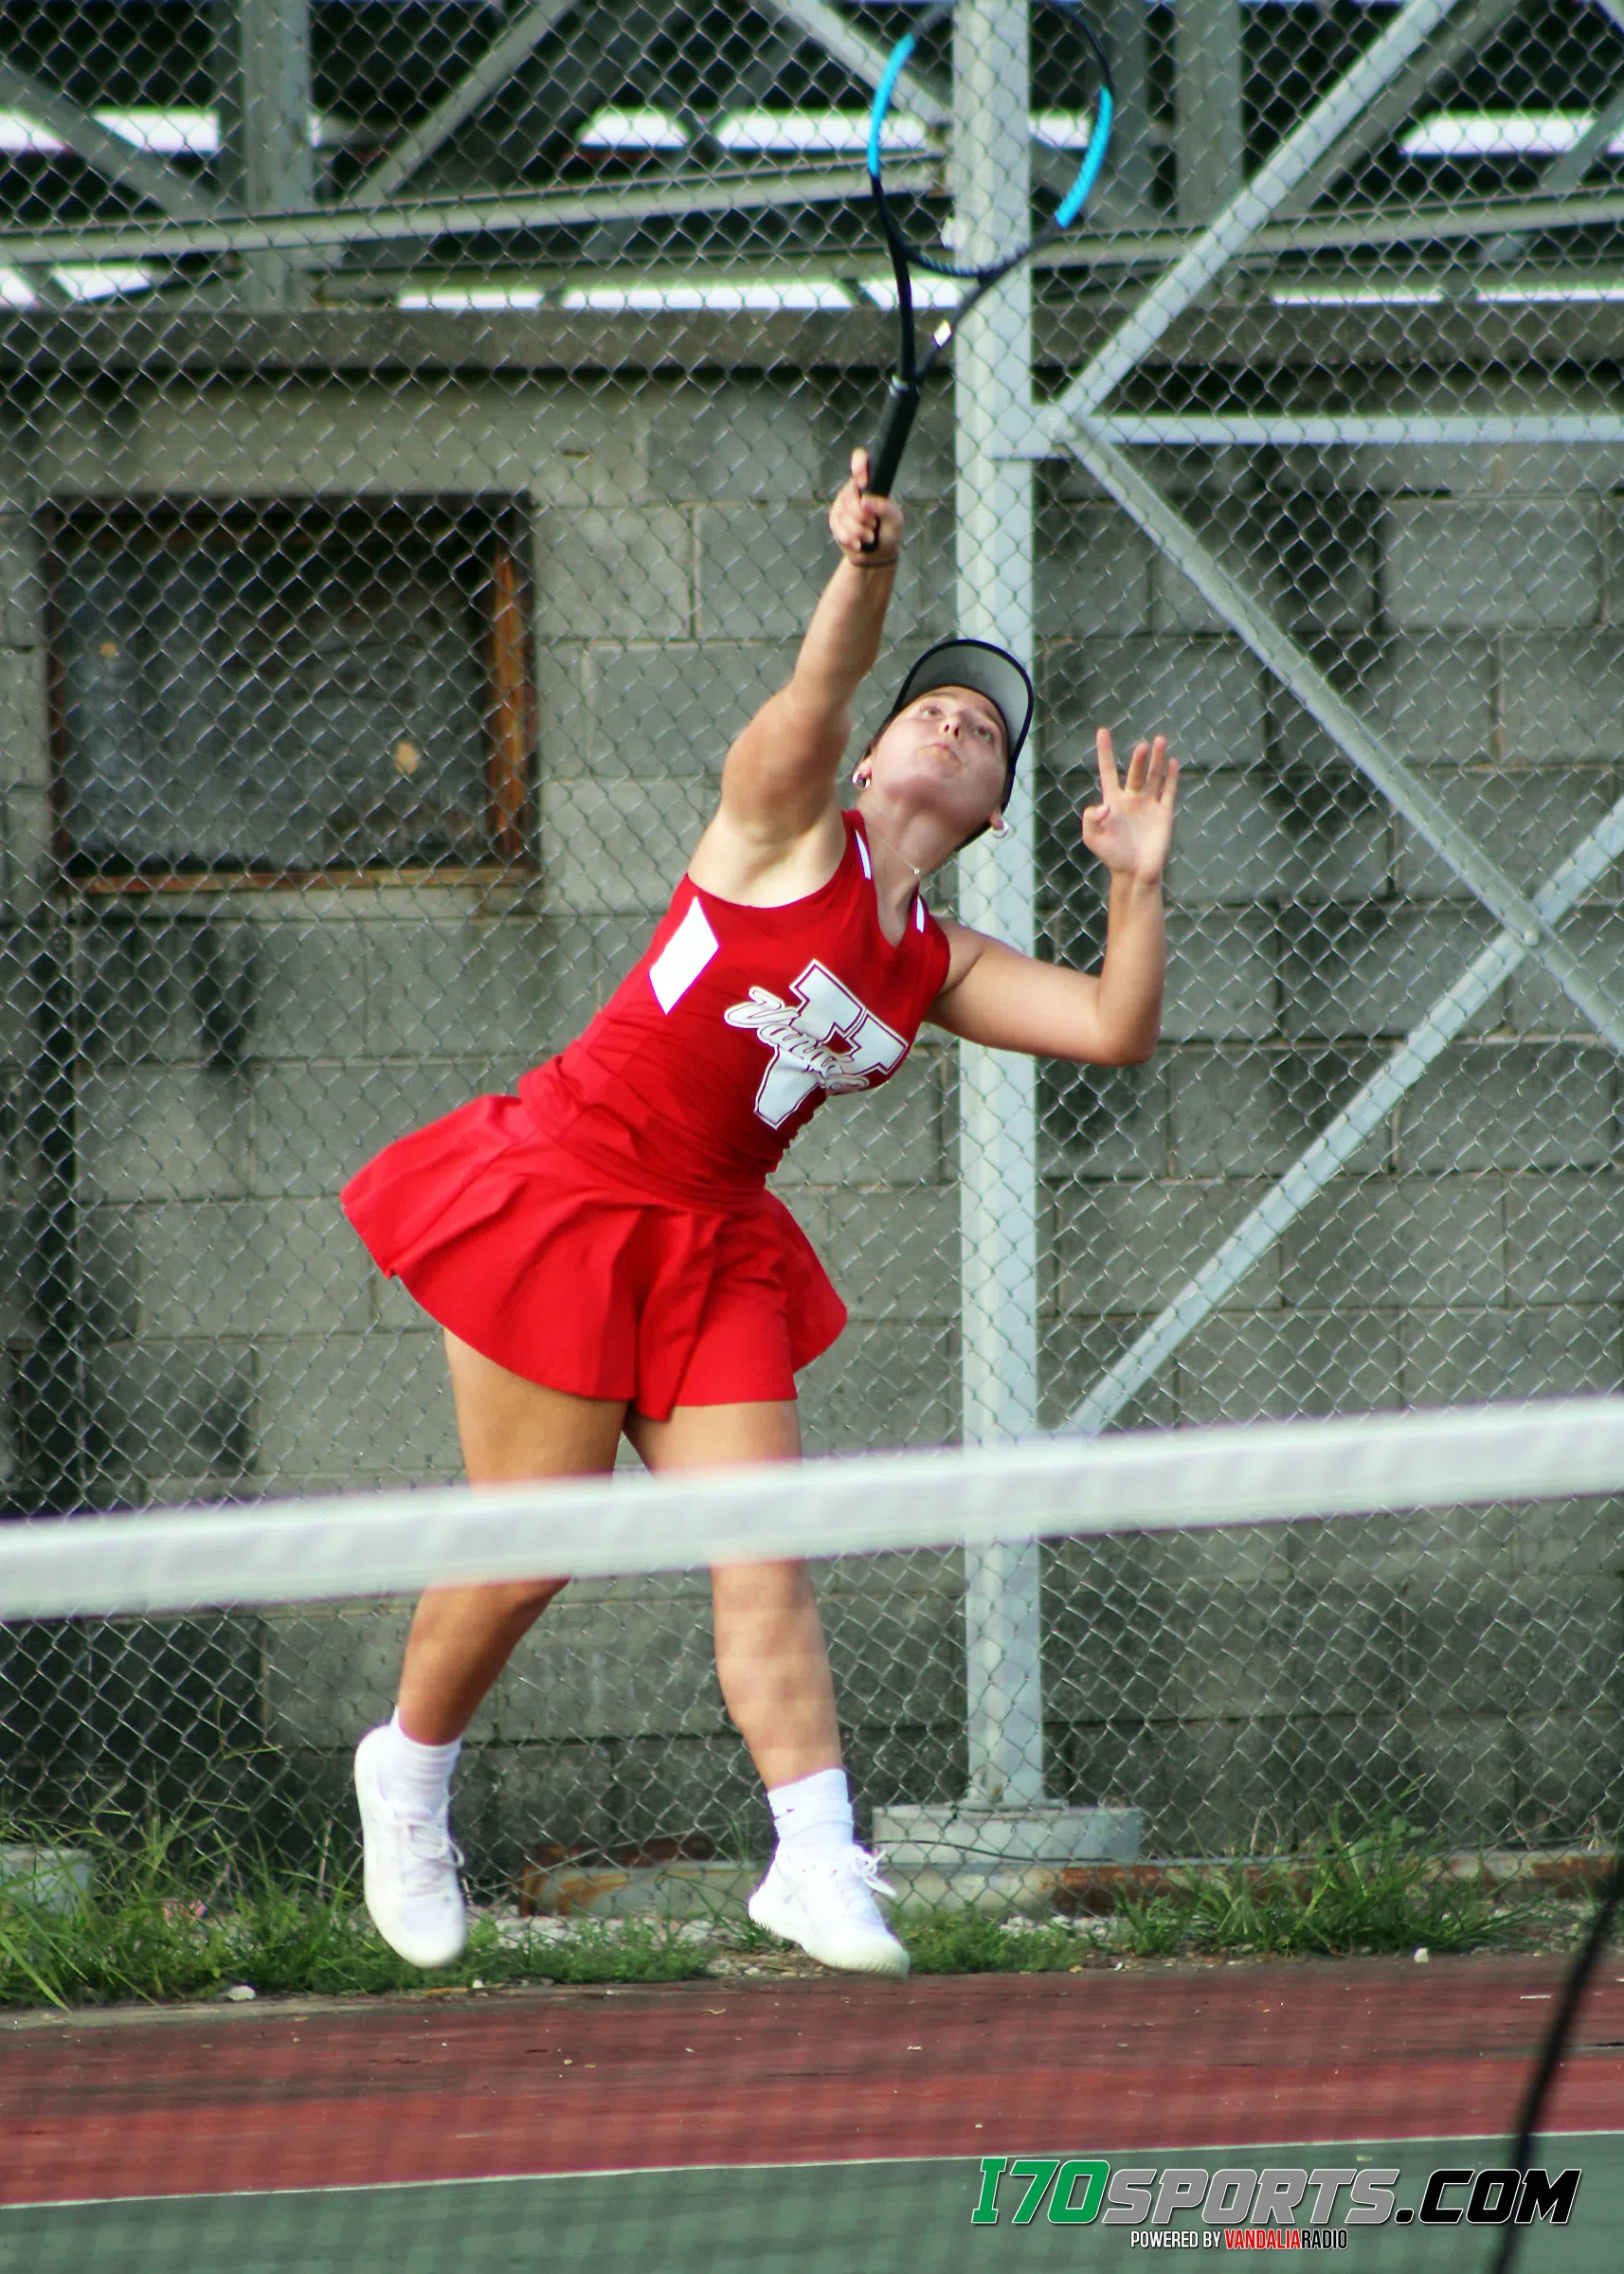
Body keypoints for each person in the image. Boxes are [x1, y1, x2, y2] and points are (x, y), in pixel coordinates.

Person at [340, 447, 1178, 1982]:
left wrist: (1135, 882)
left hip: (715, 1239)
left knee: (766, 1553)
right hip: (567, 1189)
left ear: (993, 813)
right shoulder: (788, 825)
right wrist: (859, 573)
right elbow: (815, 687)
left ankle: (812, 1858)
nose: (951, 722)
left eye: (983, 730)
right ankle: (405, 1774)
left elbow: (1112, 1026)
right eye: (930, 706)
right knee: (533, 1547)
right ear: (866, 766)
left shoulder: (934, 959)